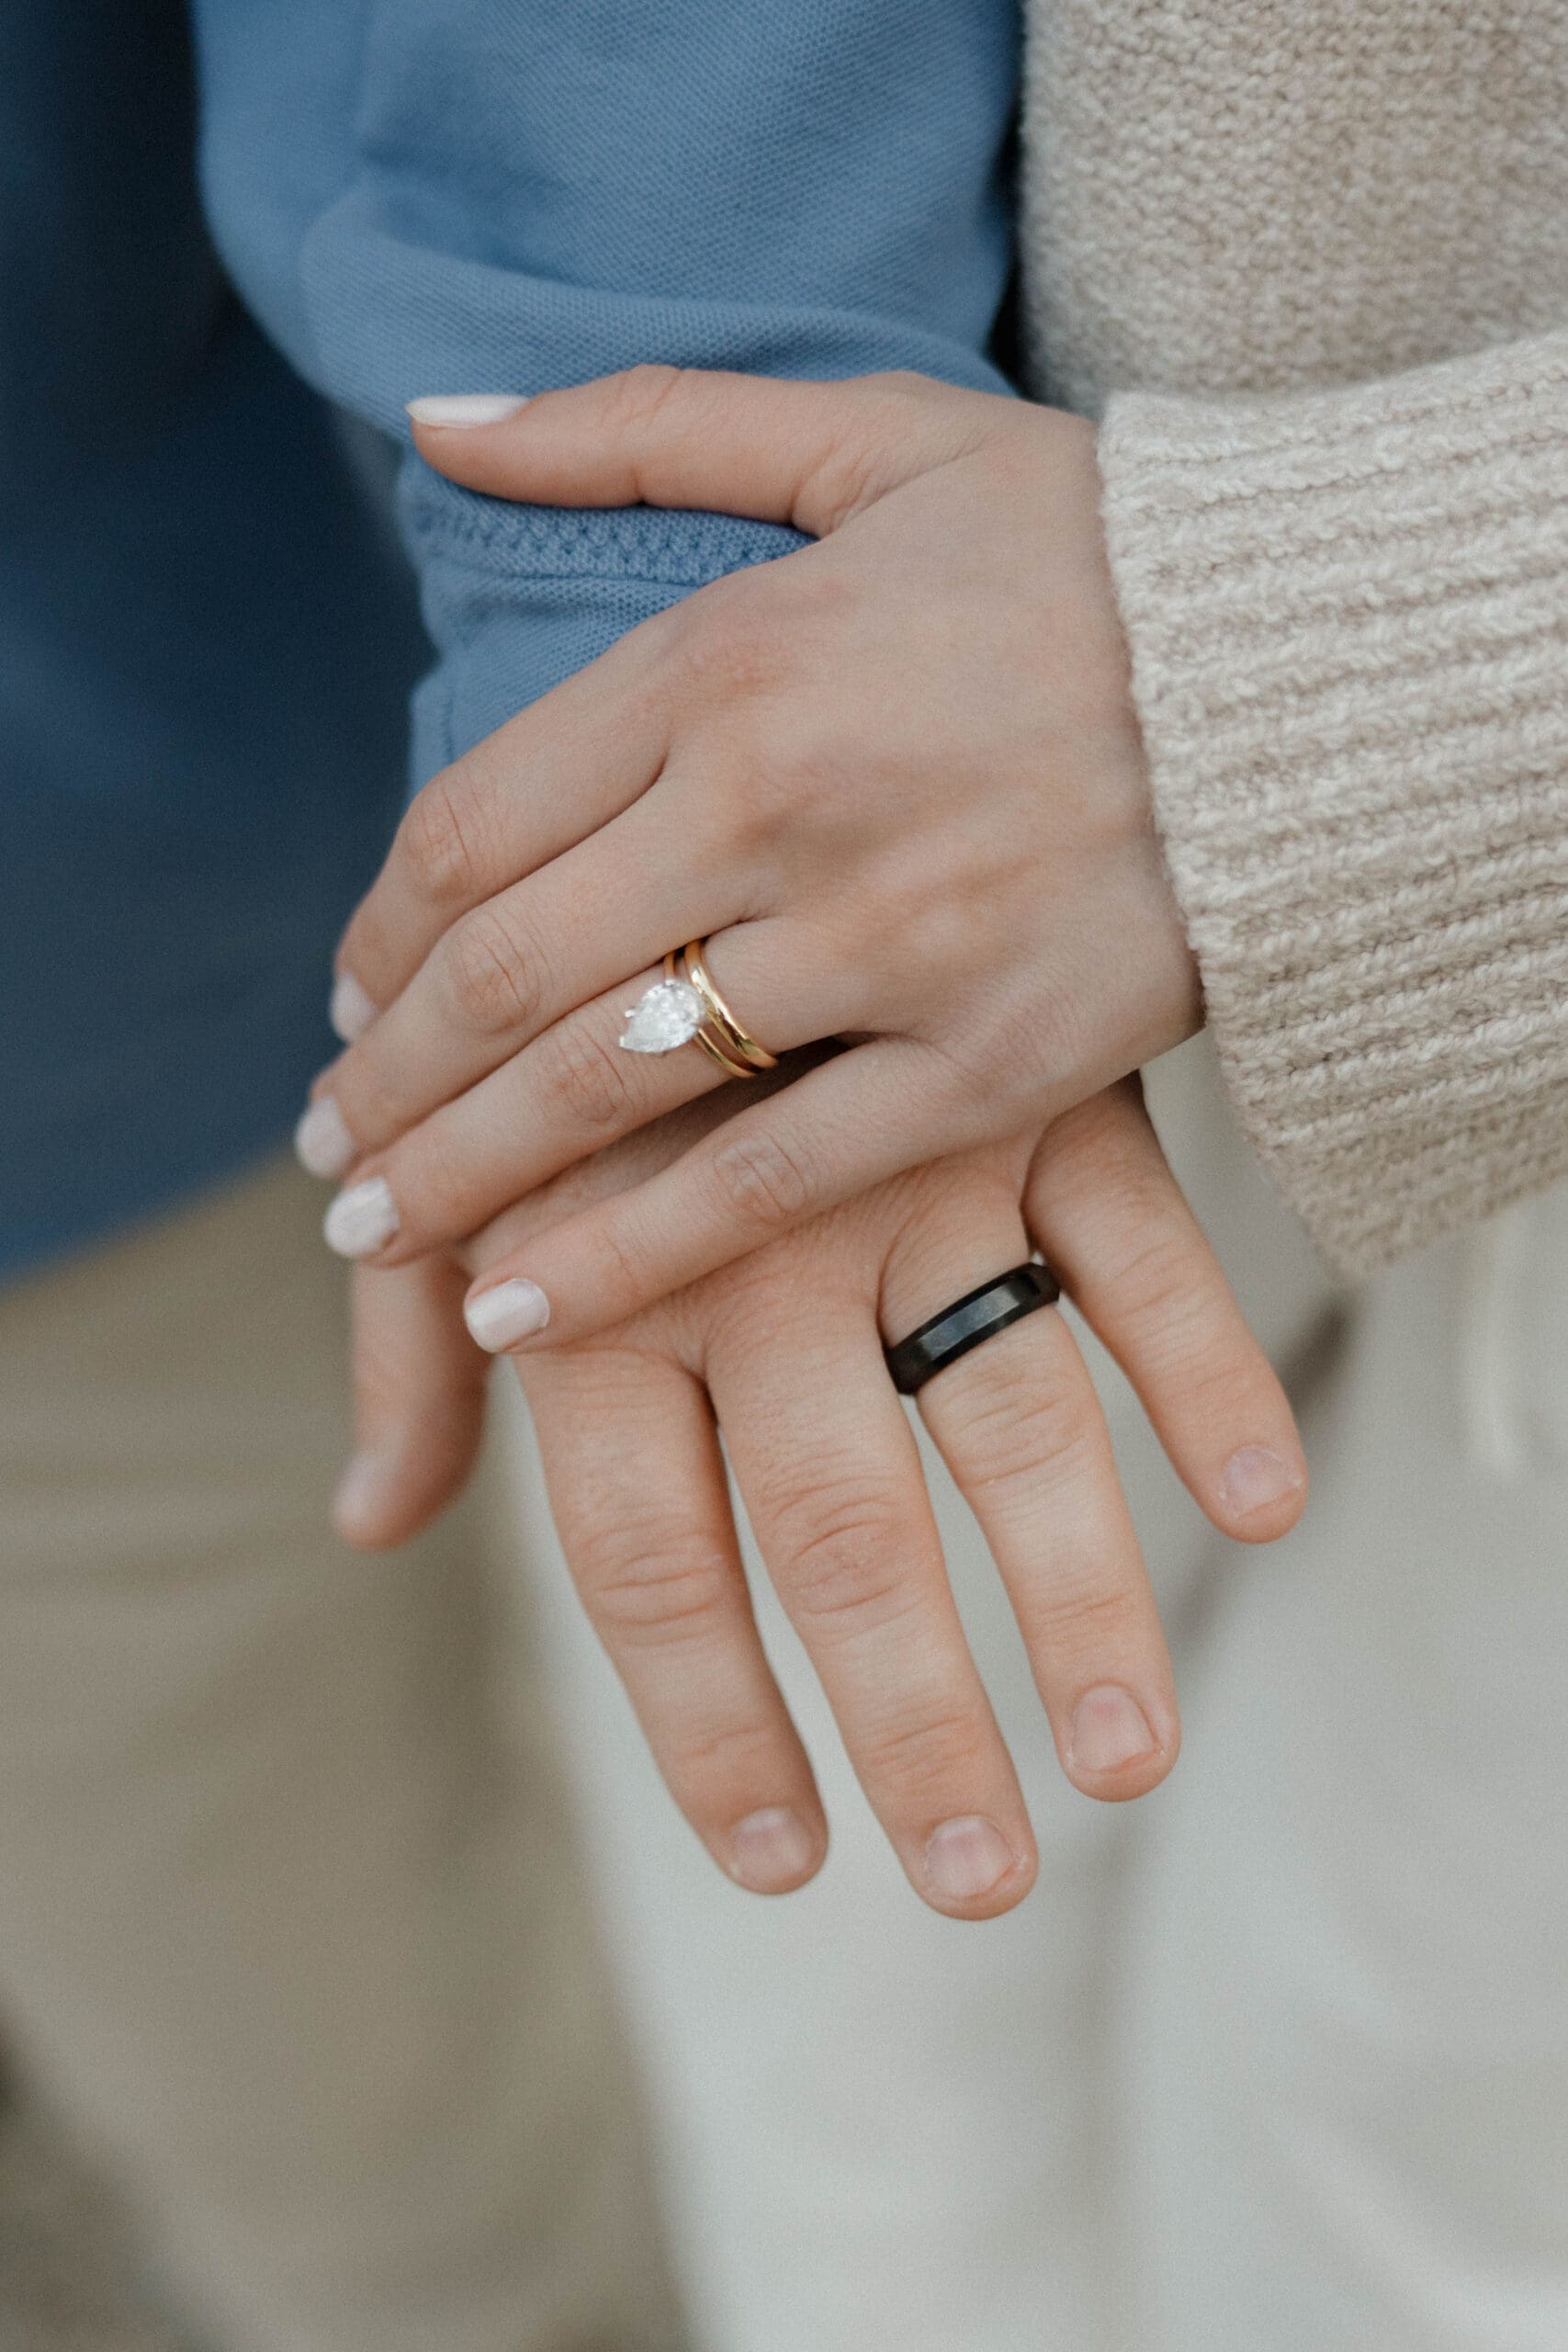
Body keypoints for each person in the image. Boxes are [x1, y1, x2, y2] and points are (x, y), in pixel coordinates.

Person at [277, 2, 1568, 2346]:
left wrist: (1304, 680)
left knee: (1415, 2147)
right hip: (858, 790)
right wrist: (640, 651)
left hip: (956, 763)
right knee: (860, 2102)